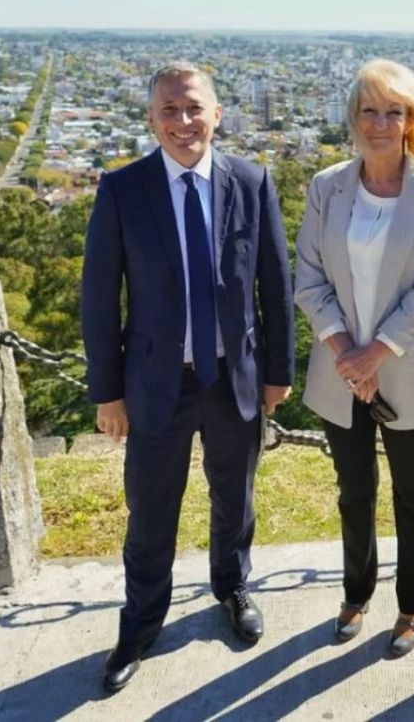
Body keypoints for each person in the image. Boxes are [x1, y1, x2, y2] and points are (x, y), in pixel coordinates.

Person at [81, 62, 295, 695]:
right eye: (169, 111)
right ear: (152, 118)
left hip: (235, 377)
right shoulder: (122, 190)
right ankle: (140, 625)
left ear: (217, 113)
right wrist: (108, 392)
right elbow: (99, 298)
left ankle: (232, 591)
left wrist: (278, 373)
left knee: (236, 499)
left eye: (194, 108)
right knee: (151, 511)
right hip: (155, 384)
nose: (183, 122)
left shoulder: (251, 181)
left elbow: (274, 285)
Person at [294, 58, 414, 657]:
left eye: (394, 111)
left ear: (411, 120)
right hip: (341, 369)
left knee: (413, 495)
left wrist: (376, 355)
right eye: (369, 110)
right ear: (353, 118)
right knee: (353, 490)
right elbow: (309, 280)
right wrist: (348, 354)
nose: (380, 122)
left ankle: (412, 606)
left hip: (408, 368)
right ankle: (356, 593)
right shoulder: (327, 186)